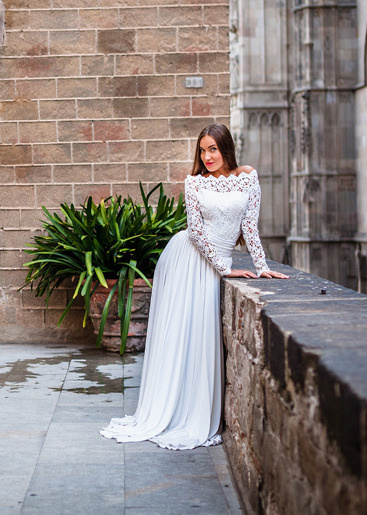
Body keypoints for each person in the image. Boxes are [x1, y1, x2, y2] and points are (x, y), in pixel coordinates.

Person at [100, 123, 288, 450]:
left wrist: (262, 267)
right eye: (202, 150)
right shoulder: (194, 183)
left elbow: (250, 227)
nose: (207, 156)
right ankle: (175, 409)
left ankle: (199, 409)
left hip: (218, 261)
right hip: (190, 259)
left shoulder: (248, 176)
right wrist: (225, 269)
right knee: (187, 333)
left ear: (225, 148)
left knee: (203, 335)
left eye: (213, 149)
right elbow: (197, 234)